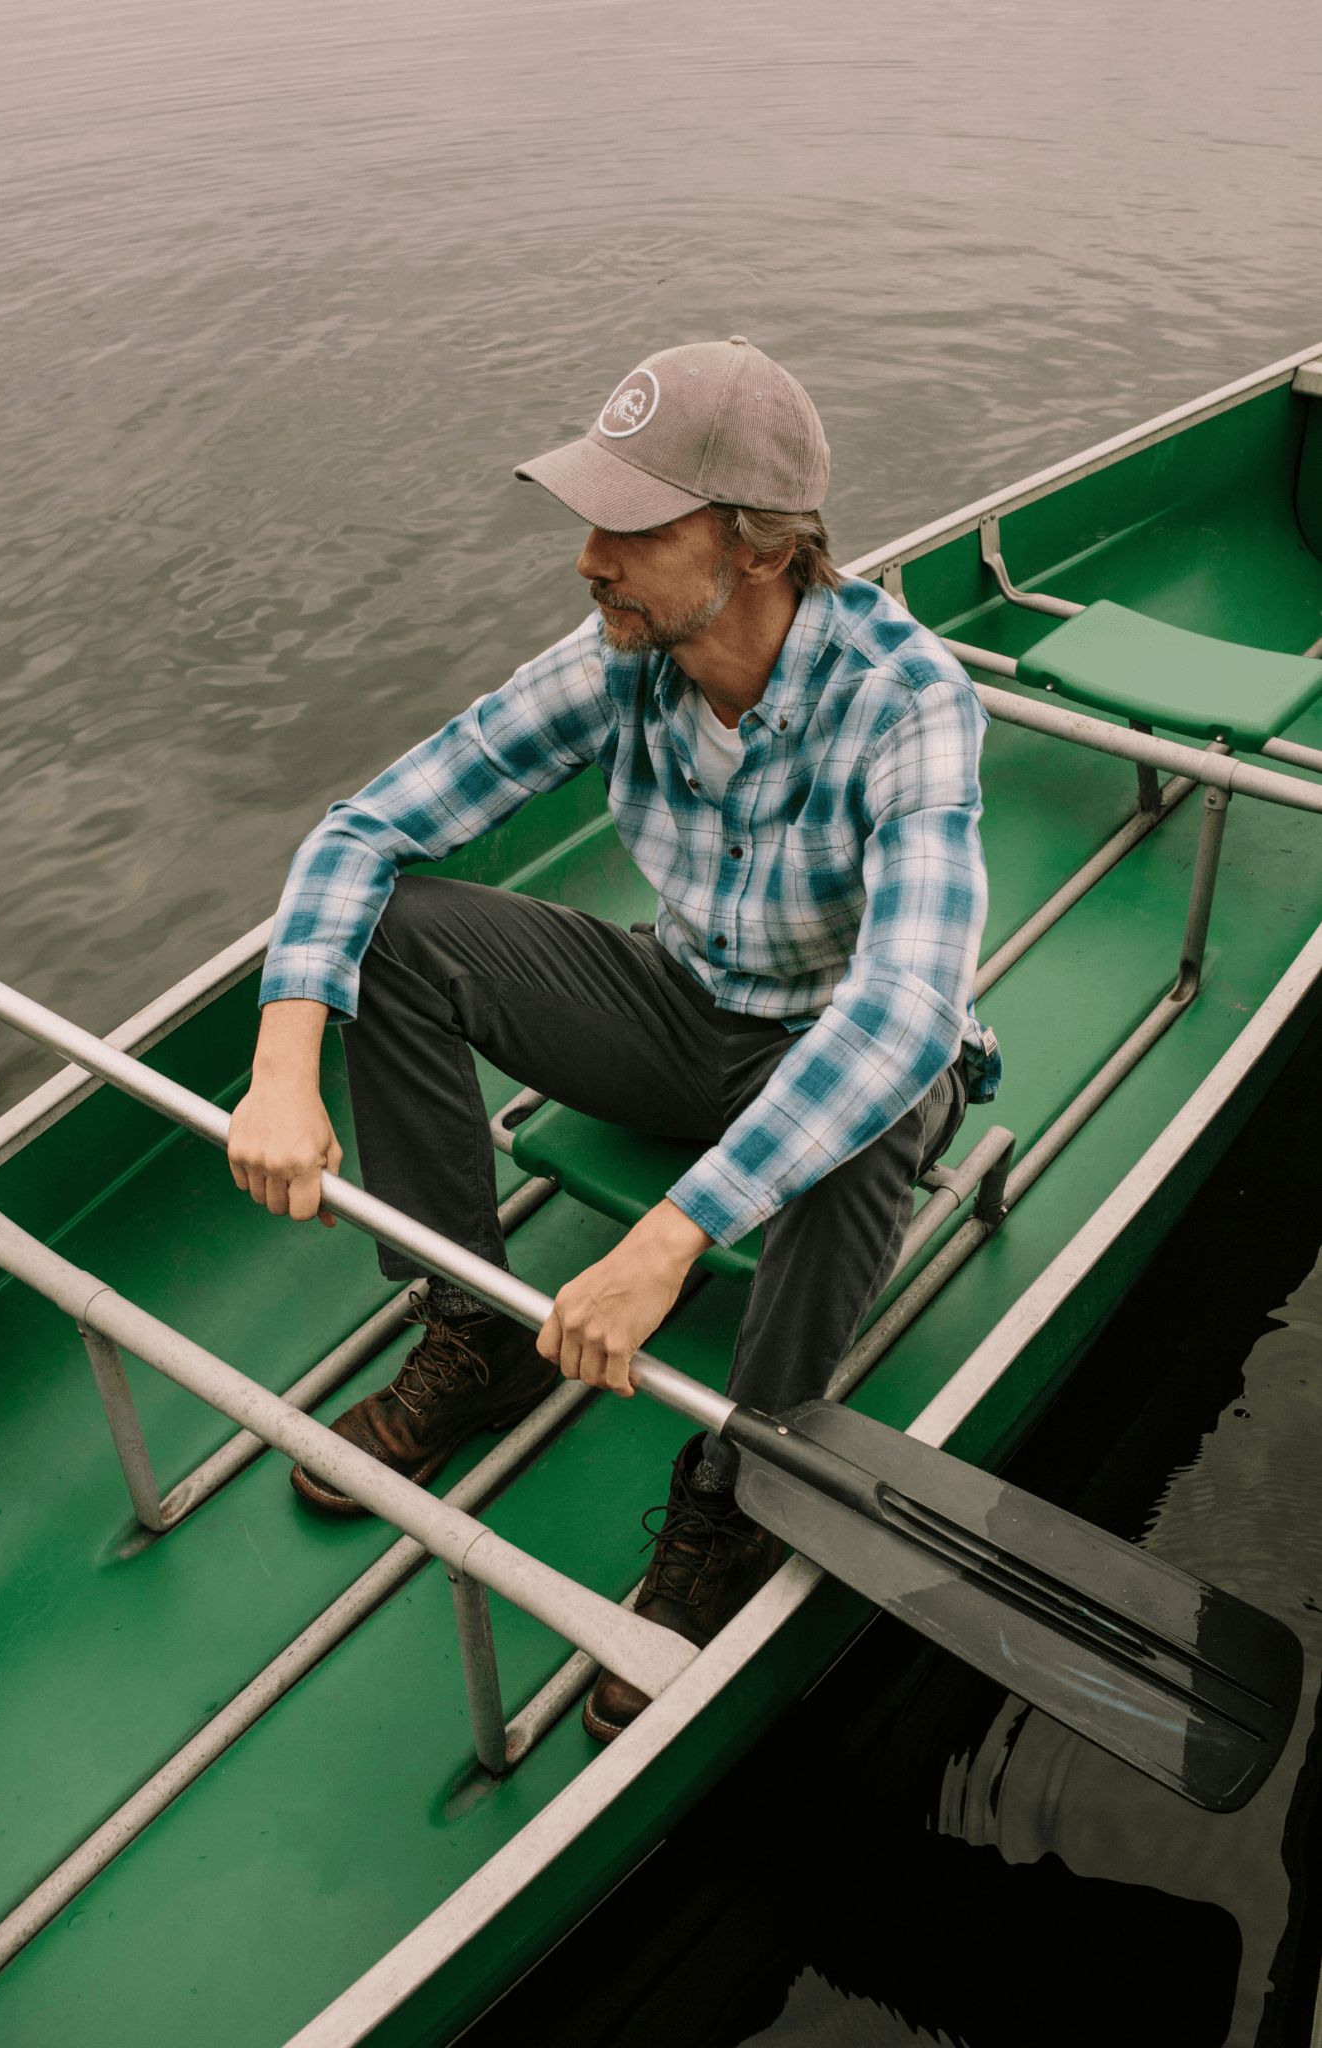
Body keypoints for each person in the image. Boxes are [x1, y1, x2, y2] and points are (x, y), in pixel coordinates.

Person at [227, 335, 999, 1743]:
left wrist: (668, 1238)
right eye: (593, 521)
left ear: (759, 547)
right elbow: (365, 829)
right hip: (682, 1006)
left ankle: (746, 1477)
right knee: (398, 930)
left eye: (633, 530)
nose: (589, 560)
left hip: (835, 1046)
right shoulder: (620, 659)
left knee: (884, 1096)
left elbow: (904, 1013)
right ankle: (476, 1326)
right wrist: (283, 1066)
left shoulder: (910, 701)